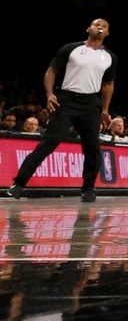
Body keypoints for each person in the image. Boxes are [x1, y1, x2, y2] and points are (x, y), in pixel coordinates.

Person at [5, 19, 115, 203]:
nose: (100, 27)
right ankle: (18, 184)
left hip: (90, 103)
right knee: (49, 142)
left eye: (104, 26)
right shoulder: (71, 48)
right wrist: (49, 95)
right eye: (96, 25)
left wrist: (105, 109)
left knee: (92, 148)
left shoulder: (110, 57)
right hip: (67, 99)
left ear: (108, 33)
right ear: (88, 28)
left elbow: (109, 84)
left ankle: (88, 189)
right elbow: (51, 71)